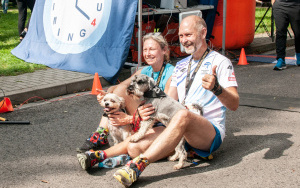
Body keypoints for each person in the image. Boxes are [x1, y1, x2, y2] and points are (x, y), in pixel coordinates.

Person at [77, 15, 239, 187]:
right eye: (181, 36)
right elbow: (167, 101)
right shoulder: (182, 65)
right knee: (134, 147)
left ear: (203, 32)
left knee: (183, 114)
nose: (184, 40)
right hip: (179, 125)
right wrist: (139, 114)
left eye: (188, 35)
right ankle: (98, 156)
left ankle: (138, 165)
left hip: (207, 131)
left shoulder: (221, 62)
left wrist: (217, 89)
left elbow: (234, 104)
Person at [76, 32, 175, 153]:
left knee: (135, 148)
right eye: (145, 50)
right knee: (118, 91)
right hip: (144, 113)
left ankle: (111, 149)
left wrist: (130, 119)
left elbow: (166, 108)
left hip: (159, 120)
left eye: (152, 49)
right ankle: (101, 133)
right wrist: (107, 96)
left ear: (164, 50)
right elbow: (121, 85)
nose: (147, 54)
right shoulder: (146, 70)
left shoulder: (171, 73)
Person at [272, 0, 300, 70]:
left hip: (296, 5)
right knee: (280, 32)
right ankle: (281, 59)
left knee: (298, 33)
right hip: (280, 5)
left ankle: (299, 55)